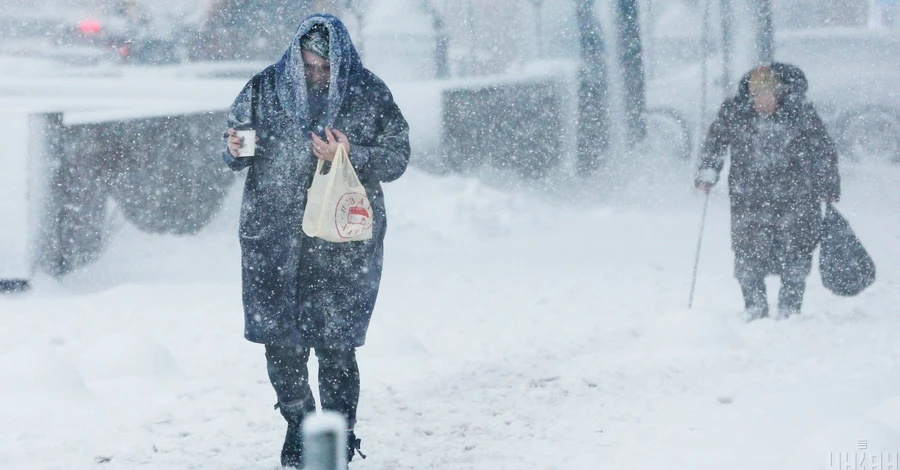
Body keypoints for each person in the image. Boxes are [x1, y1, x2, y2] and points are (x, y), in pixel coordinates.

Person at [222, 13, 410, 469]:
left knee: (337, 346)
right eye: (309, 67)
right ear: (295, 59)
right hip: (273, 237)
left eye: (325, 69)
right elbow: (236, 148)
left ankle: (338, 436)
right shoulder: (263, 88)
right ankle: (299, 424)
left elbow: (397, 157)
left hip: (344, 243)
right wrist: (231, 149)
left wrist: (351, 154)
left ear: (341, 61)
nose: (316, 76)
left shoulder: (368, 92)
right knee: (280, 345)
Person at [695, 63, 840, 321]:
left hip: (796, 196)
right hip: (748, 196)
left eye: (767, 96)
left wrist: (827, 184)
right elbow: (715, 141)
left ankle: (790, 307)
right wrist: (708, 171)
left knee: (796, 252)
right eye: (756, 96)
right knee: (748, 253)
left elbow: (822, 150)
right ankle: (754, 306)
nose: (761, 102)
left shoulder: (801, 113)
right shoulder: (735, 112)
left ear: (780, 94)